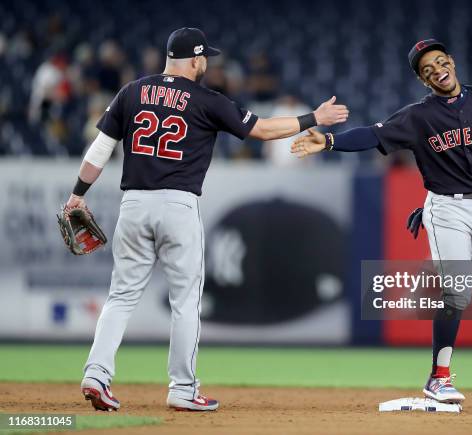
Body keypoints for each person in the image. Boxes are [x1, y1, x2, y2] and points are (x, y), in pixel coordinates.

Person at [69, 27, 348, 412]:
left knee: (120, 296)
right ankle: (182, 388)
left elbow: (100, 148)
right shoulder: (205, 99)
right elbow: (263, 130)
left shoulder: (131, 91)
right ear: (196, 59)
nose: (207, 64)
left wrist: (77, 195)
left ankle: (96, 374)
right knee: (185, 300)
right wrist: (312, 117)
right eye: (205, 58)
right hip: (178, 205)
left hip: (133, 203)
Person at [291, 39, 472, 411]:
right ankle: (438, 378)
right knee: (457, 292)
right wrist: (329, 141)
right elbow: (373, 135)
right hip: (447, 211)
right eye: (427, 70)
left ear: (452, 62)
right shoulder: (418, 116)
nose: (437, 70)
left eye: (440, 62)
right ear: (424, 81)